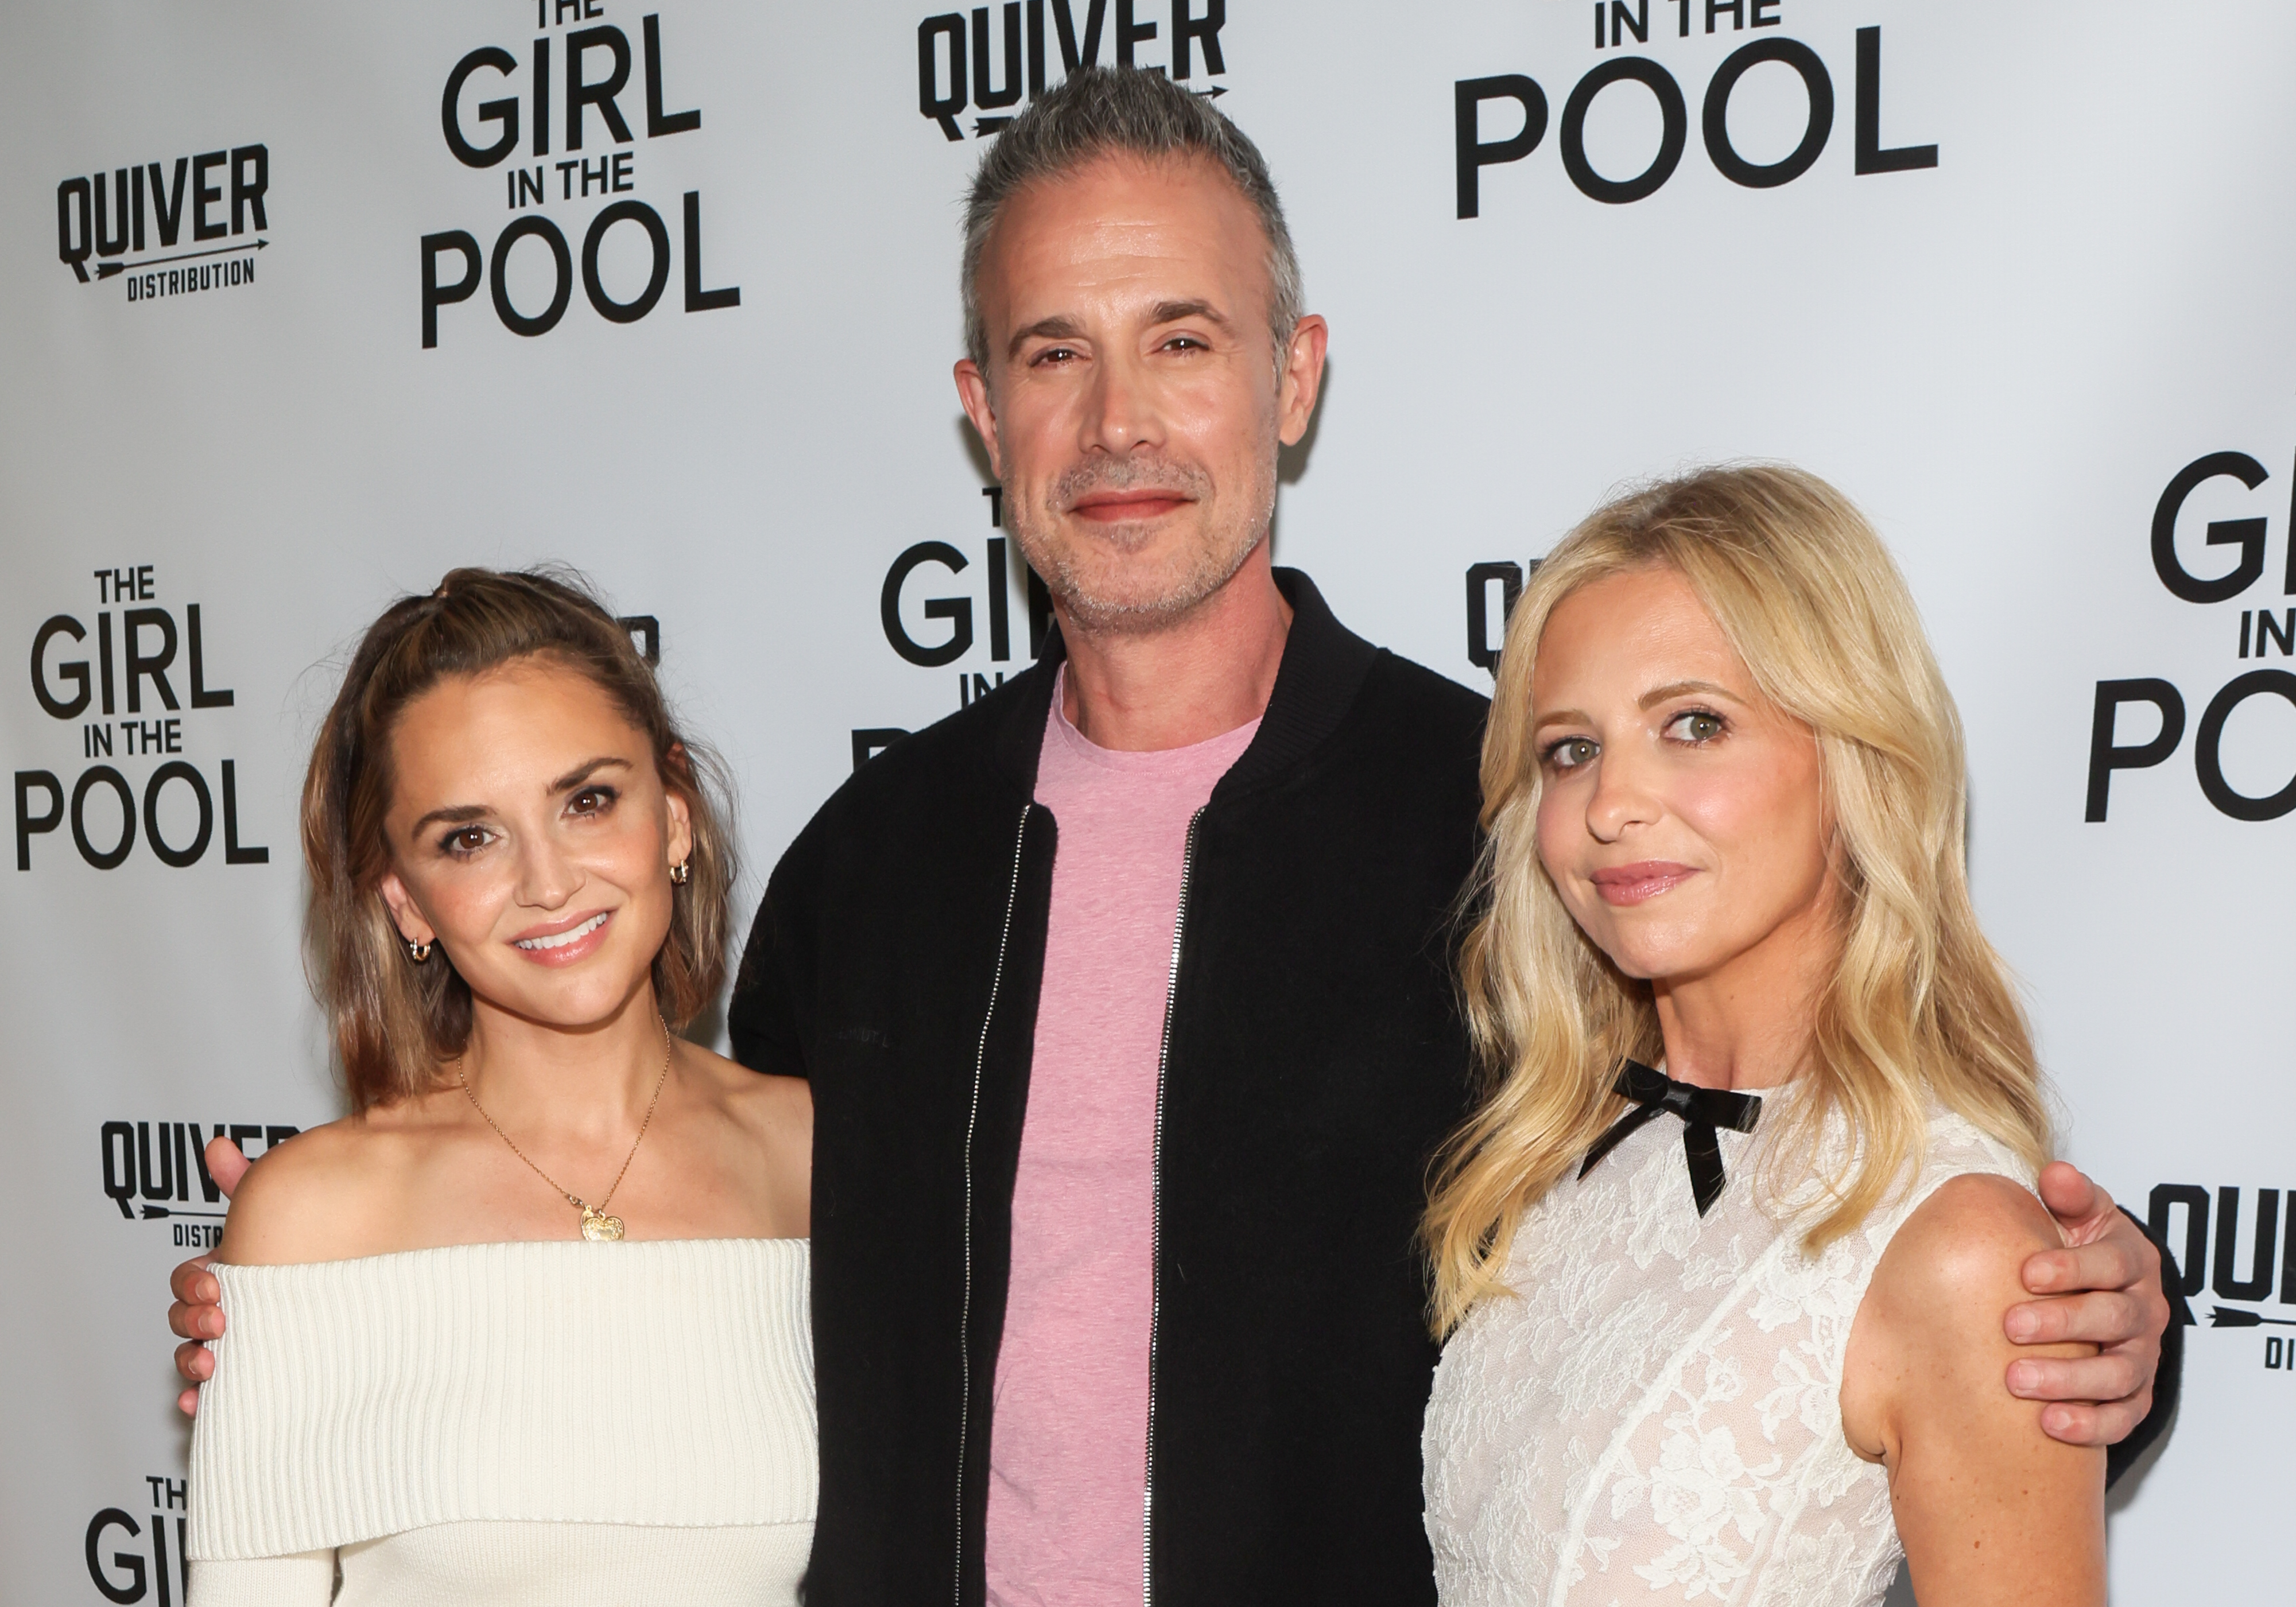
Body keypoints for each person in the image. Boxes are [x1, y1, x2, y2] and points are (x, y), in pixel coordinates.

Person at [174, 69, 2173, 1607]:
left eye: (1184, 340)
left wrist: (2096, 1316)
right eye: (1056, 353)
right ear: (983, 413)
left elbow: (1766, 1207)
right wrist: (357, 1300)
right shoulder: (863, 870)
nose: (1120, 419)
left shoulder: (1511, 823)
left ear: (1291, 377)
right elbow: (682, 1216)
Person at [1421, 465, 2107, 1605]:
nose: (1609, 803)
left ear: (1851, 760)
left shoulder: (1958, 1244)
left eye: (1692, 724)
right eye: (1568, 748)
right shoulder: (1558, 1151)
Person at [181, 569, 814, 1605]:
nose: (548, 882)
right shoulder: (319, 1215)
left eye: (589, 800)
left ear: (676, 816)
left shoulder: (824, 1162)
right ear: (405, 899)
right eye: (469, 837)